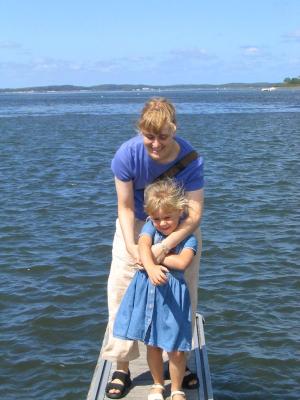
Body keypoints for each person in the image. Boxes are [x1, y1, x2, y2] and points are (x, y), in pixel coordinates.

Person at [102, 97, 204, 399]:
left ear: (174, 130)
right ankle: (121, 364)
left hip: (180, 227)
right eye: (149, 136)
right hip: (135, 225)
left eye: (163, 136)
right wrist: (136, 251)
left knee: (182, 293)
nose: (156, 144)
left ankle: (178, 361)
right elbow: (124, 206)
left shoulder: (191, 159)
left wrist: (168, 245)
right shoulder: (127, 155)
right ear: (140, 131)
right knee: (122, 291)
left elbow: (196, 213)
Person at [113, 178, 197, 400]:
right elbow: (142, 244)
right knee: (153, 344)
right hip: (149, 293)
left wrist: (158, 255)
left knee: (177, 349)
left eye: (167, 217)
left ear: (180, 211)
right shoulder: (150, 227)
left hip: (174, 299)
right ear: (150, 217)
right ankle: (158, 385)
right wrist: (150, 266)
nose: (162, 223)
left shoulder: (188, 238)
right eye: (157, 218)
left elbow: (182, 263)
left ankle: (177, 389)